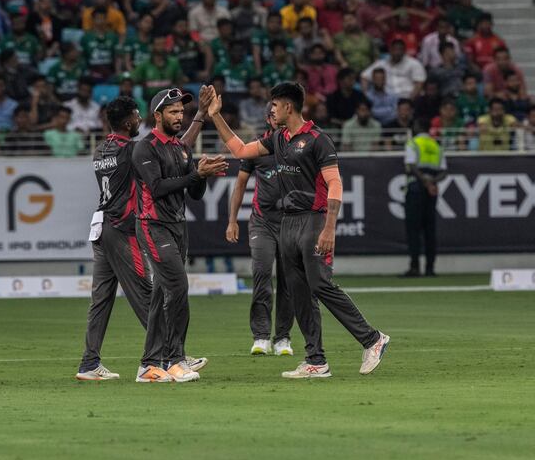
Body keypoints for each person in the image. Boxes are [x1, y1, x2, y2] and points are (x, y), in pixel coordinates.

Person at [208, 81, 390, 379]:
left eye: (275, 105)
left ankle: (372, 339)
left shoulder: (318, 140)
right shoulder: (278, 139)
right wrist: (216, 115)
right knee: (298, 291)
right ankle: (315, 360)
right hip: (287, 222)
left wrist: (329, 227)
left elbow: (335, 183)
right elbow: (240, 149)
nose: (272, 110)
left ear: (288, 107)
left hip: (314, 219)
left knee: (320, 284)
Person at [76, 95, 209, 381]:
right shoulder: (134, 150)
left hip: (100, 225)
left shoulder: (101, 150)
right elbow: (177, 146)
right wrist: (199, 119)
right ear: (127, 122)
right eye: (137, 116)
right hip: (123, 229)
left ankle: (89, 364)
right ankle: (166, 357)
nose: (140, 121)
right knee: (150, 296)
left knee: (101, 299)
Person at [132, 87, 228, 382]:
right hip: (152, 224)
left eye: (182, 112)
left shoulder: (181, 148)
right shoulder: (145, 148)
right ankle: (174, 359)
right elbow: (158, 188)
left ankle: (149, 365)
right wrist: (195, 175)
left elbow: (195, 193)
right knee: (177, 287)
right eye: (173, 112)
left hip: (176, 225)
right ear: (157, 115)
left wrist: (203, 174)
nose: (179, 116)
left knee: (163, 292)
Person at [226, 106, 295, 356]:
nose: (279, 120)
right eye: (274, 116)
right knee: (262, 273)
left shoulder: (297, 147)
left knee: (289, 280)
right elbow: (241, 183)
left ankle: (283, 338)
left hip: (290, 222)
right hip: (262, 222)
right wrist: (232, 220)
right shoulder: (257, 148)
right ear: (268, 119)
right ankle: (261, 336)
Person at [402, 131, 446, 277]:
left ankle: (415, 267)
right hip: (431, 191)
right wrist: (431, 182)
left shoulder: (413, 143)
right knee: (430, 230)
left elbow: (411, 166)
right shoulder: (436, 146)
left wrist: (425, 182)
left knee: (413, 229)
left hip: (416, 189)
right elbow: (444, 172)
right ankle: (430, 268)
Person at [361, 39, 426, 100]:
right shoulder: (381, 63)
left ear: (404, 50)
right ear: (390, 50)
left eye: (400, 49)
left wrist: (409, 101)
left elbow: (419, 83)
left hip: (406, 98)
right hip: (386, 99)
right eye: (394, 49)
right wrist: (367, 97)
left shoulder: (414, 63)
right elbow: (364, 76)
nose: (397, 52)